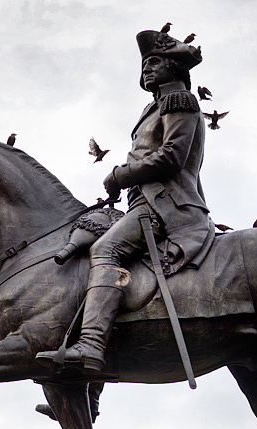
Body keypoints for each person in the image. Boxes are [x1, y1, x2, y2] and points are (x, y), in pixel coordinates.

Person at [36, 30, 213, 374]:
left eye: (155, 61)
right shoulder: (155, 107)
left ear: (174, 67)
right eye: (145, 63)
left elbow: (172, 157)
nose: (147, 68)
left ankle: (90, 346)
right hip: (147, 204)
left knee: (106, 249)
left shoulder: (178, 100)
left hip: (167, 207)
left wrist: (121, 175)